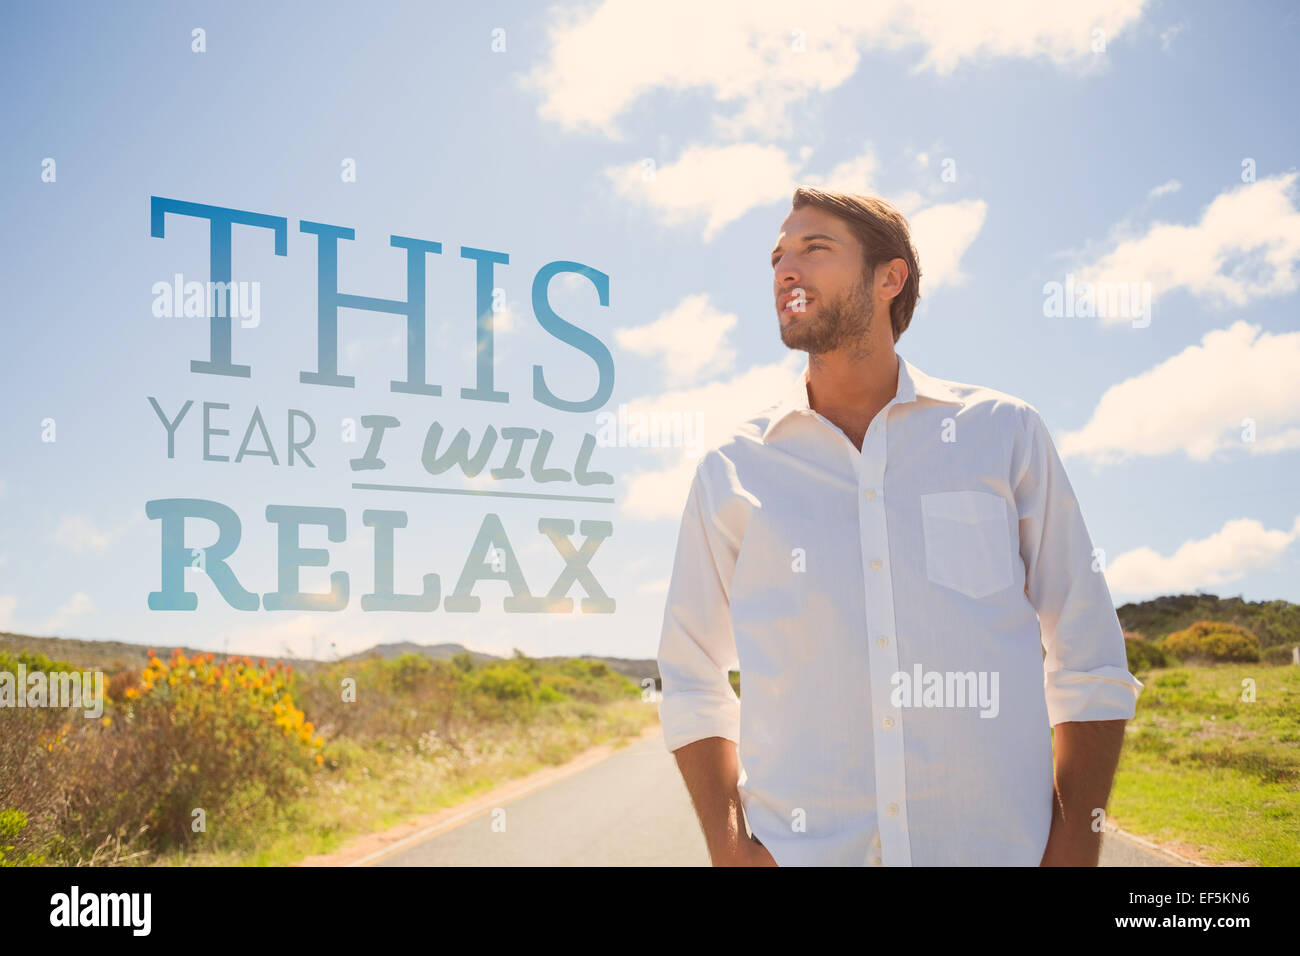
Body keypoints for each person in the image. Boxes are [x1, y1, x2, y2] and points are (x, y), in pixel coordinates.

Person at [656, 186, 1143, 867]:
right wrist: (732, 850)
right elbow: (690, 675)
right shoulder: (732, 468)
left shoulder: (1003, 433)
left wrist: (1076, 843)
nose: (786, 270)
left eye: (814, 248)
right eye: (776, 257)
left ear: (890, 277)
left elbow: (1087, 653)